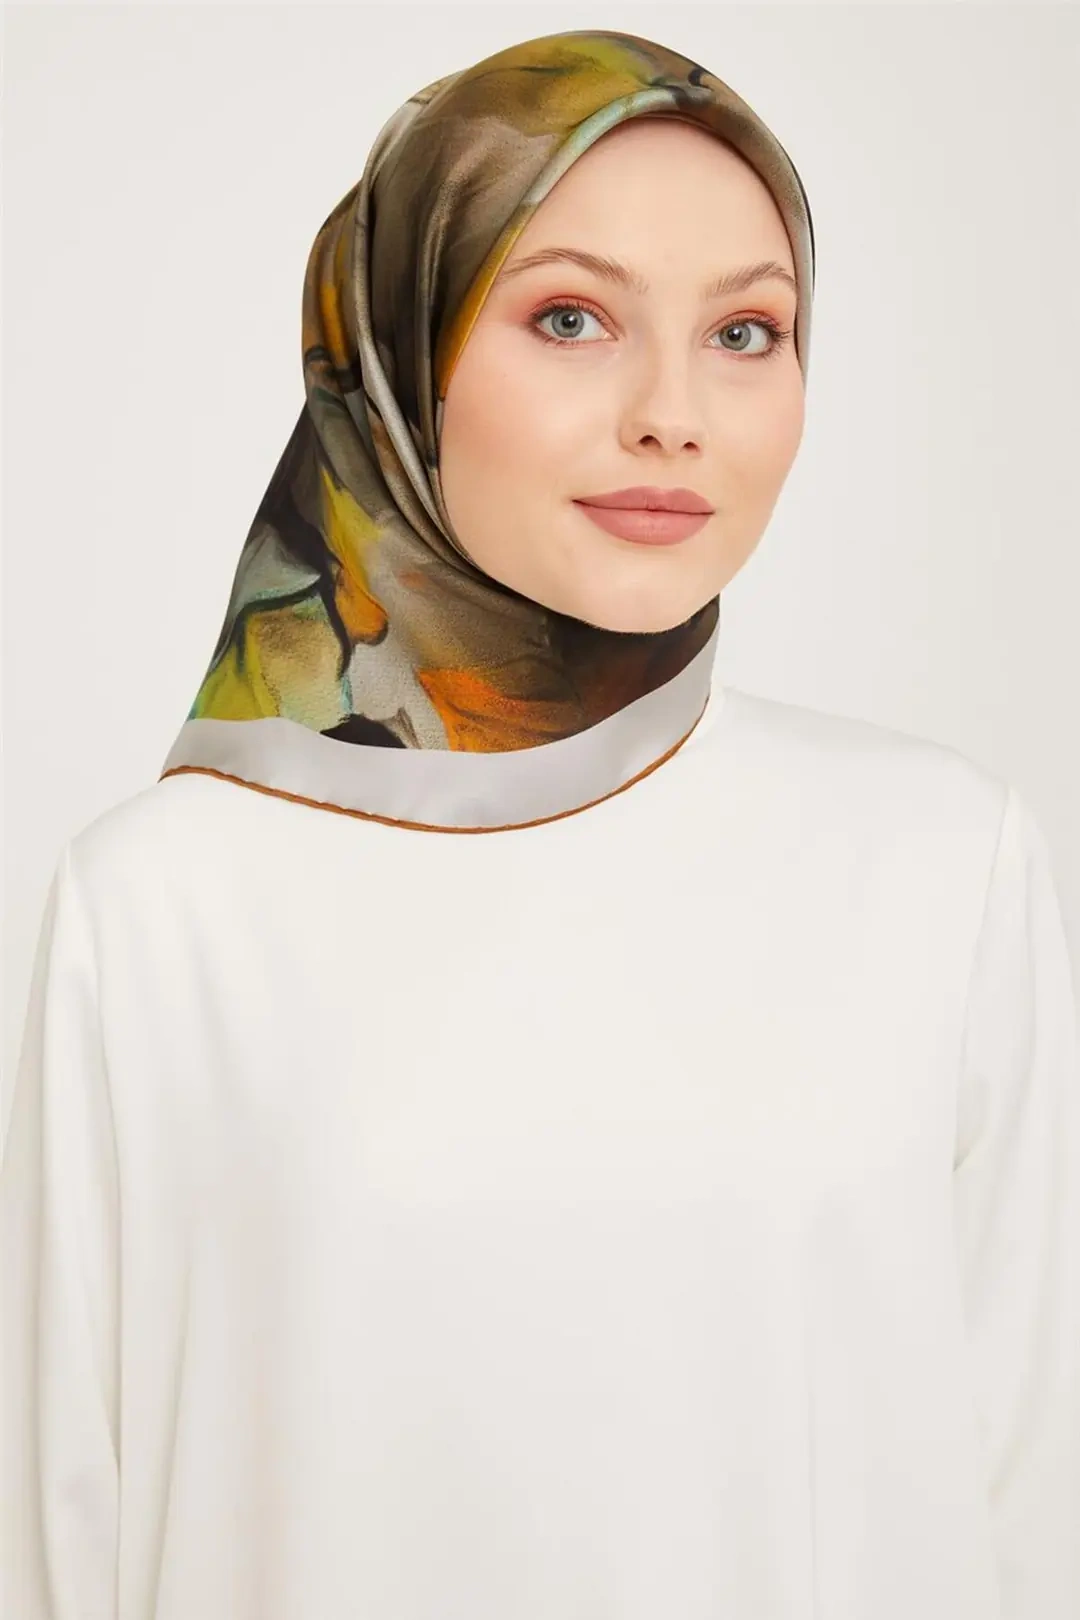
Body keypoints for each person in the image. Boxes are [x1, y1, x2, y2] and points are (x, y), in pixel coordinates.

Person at [2, 27, 1078, 1620]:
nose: (673, 414)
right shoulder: (164, 907)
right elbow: (60, 1541)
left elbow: (1024, 1508)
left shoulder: (941, 866)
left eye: (747, 331)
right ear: (401, 348)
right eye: (569, 317)